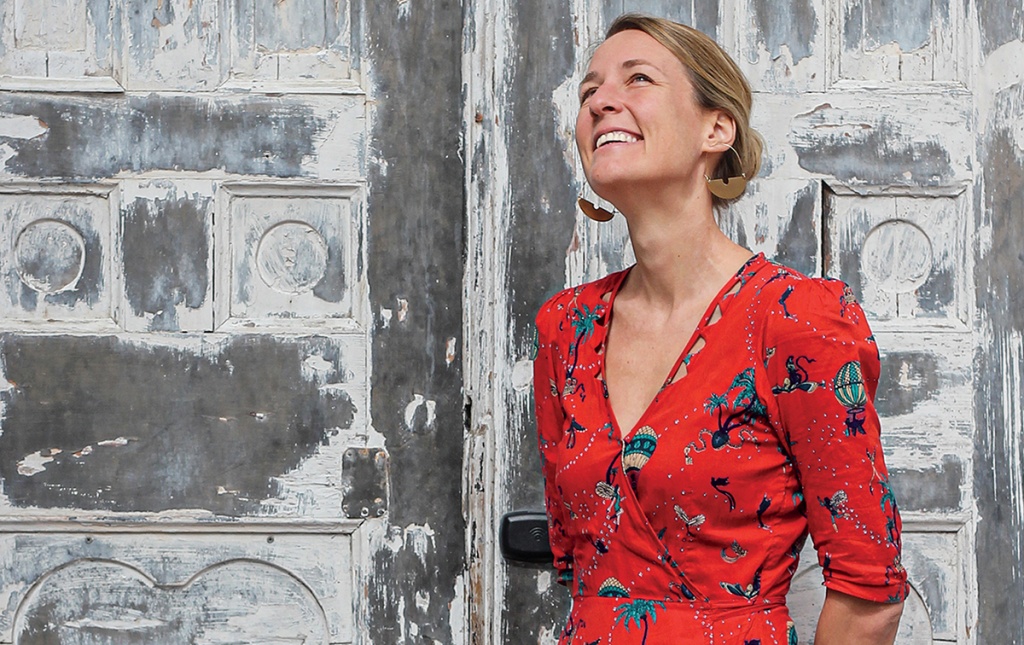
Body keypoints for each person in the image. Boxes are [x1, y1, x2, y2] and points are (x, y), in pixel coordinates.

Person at [533, 13, 908, 645]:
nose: (601, 102)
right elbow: (578, 564)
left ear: (716, 128)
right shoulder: (564, 328)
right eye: (588, 91)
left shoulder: (795, 321)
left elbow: (869, 592)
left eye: (638, 79)